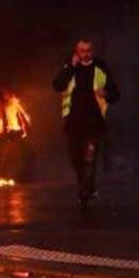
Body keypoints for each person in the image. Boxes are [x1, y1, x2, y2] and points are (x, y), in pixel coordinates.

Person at [52, 38, 120, 207]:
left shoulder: (100, 66)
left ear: (92, 51)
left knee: (90, 159)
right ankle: (88, 186)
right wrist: (71, 66)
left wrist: (107, 93)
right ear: (76, 52)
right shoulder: (70, 67)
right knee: (76, 159)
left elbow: (115, 93)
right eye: (82, 51)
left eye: (88, 50)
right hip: (73, 124)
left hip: (94, 124)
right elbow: (57, 85)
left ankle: (84, 193)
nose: (86, 54)